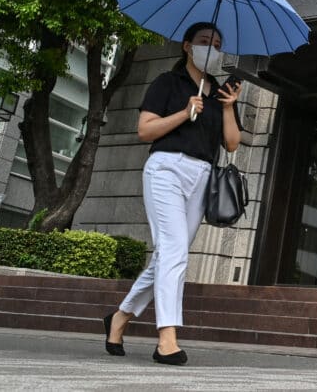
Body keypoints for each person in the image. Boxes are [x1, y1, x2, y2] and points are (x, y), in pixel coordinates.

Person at [102, 22, 242, 365]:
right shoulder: (168, 82)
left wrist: (226, 106)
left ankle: (119, 318)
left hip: (203, 176)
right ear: (186, 46)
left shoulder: (221, 92)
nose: (211, 47)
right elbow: (145, 130)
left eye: (217, 43)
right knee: (175, 252)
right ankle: (166, 338)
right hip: (166, 168)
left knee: (168, 254)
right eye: (205, 41)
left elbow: (232, 143)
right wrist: (183, 113)